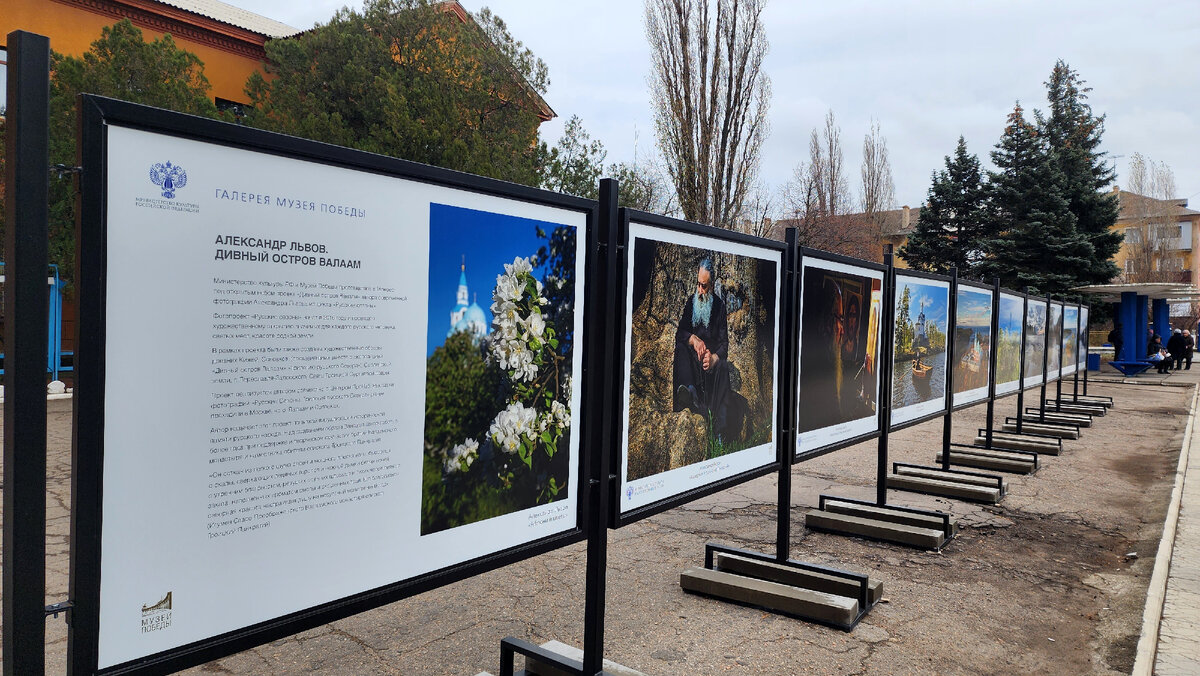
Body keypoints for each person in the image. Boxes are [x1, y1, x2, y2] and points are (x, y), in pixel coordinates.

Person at [673, 258, 731, 437]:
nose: (700, 290)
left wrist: (713, 358)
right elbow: (680, 332)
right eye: (698, 284)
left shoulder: (719, 307)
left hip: (709, 367)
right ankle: (689, 392)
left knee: (723, 366)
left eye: (704, 286)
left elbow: (724, 345)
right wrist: (693, 340)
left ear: (711, 284)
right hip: (692, 364)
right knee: (681, 349)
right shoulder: (692, 302)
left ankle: (719, 431)